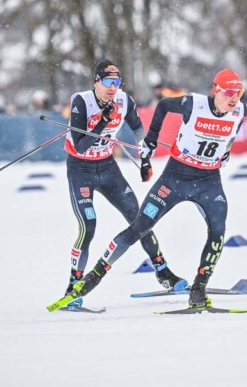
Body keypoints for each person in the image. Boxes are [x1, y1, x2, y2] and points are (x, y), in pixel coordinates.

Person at [56, 67, 247, 310]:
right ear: (216, 91)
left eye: (239, 92)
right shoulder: (194, 104)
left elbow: (229, 134)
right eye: (229, 92)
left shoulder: (241, 110)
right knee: (130, 225)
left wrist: (225, 151)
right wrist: (151, 140)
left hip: (208, 180)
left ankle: (196, 289)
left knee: (218, 230)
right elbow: (164, 106)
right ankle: (87, 281)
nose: (234, 98)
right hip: (173, 177)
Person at [62, 59, 185, 309]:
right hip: (80, 169)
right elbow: (81, 145)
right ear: (96, 82)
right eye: (107, 82)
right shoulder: (81, 102)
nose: (112, 88)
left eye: (116, 82)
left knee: (139, 218)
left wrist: (145, 159)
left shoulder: (123, 100)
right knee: (89, 225)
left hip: (107, 168)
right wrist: (103, 121)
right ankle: (73, 287)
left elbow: (138, 130)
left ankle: (164, 273)